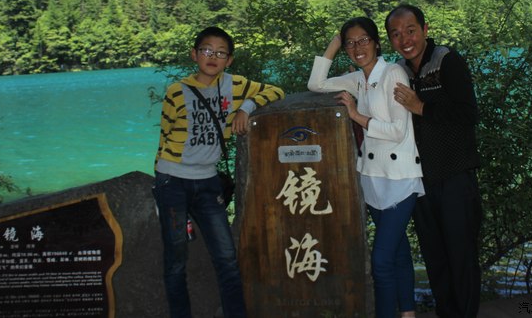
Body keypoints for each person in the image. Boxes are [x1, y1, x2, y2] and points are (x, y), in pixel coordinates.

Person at [153, 26, 285, 318]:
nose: (213, 57)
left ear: (230, 59)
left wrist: (246, 108)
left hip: (208, 182)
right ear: (194, 54)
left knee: (226, 258)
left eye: (221, 53)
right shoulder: (176, 92)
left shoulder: (234, 85)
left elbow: (276, 91)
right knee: (176, 260)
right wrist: (159, 187)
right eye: (207, 50)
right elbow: (164, 140)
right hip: (172, 181)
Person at [307, 17, 424, 318]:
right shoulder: (358, 78)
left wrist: (356, 115)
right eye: (350, 43)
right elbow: (316, 84)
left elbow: (397, 130)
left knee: (381, 261)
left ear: (376, 43)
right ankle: (408, 314)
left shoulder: (394, 73)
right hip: (372, 179)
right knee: (398, 252)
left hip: (400, 179)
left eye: (363, 40)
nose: (357, 47)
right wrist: (334, 43)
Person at [385, 4, 482, 318]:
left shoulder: (447, 60)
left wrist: (422, 107)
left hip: (455, 176)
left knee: (462, 258)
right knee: (436, 259)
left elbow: (468, 114)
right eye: (396, 34)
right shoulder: (398, 71)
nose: (405, 39)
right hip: (420, 181)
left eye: (411, 30)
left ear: (425, 30)